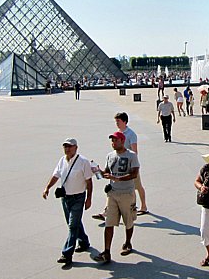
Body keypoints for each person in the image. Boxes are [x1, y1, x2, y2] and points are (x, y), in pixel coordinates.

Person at [42, 138, 93, 266]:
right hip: (66, 198)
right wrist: (47, 187)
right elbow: (56, 175)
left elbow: (89, 181)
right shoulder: (62, 160)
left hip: (78, 197)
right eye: (65, 146)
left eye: (69, 146)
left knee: (72, 225)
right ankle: (84, 242)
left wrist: (89, 199)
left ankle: (67, 254)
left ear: (76, 148)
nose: (67, 149)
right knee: (73, 223)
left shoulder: (83, 162)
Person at [92, 131, 140, 263]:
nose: (113, 143)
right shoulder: (110, 156)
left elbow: (134, 174)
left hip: (127, 193)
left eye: (115, 140)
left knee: (128, 220)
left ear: (122, 141)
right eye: (112, 141)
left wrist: (117, 178)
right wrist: (98, 171)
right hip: (112, 193)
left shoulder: (132, 155)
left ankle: (128, 243)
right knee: (109, 223)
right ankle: (106, 252)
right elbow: (107, 173)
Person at [93, 112, 148, 220]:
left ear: (124, 121)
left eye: (118, 121)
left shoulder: (131, 134)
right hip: (119, 164)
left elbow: (135, 150)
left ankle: (143, 206)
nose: (116, 123)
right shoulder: (117, 133)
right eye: (116, 121)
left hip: (130, 165)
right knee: (115, 188)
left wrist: (131, 163)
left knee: (137, 186)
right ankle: (106, 212)